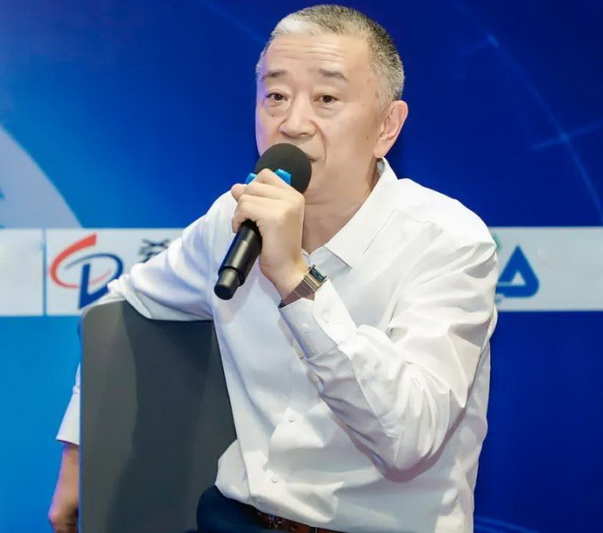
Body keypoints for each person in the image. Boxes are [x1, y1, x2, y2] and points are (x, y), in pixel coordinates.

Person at [49, 5, 498, 532]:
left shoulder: (447, 240)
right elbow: (124, 304)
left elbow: (407, 440)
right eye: (276, 96)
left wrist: (294, 277)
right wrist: (80, 451)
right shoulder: (233, 219)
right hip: (238, 518)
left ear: (386, 126)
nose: (293, 123)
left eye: (326, 98)